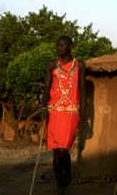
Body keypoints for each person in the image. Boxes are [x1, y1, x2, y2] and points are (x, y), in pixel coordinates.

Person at [42, 36, 86, 195]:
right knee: (56, 149)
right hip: (54, 110)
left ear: (70, 46)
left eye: (61, 45)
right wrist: (43, 109)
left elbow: (83, 90)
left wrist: (84, 116)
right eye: (57, 45)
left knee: (64, 149)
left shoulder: (79, 65)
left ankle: (66, 173)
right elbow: (46, 88)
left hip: (71, 112)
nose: (58, 48)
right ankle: (60, 183)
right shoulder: (51, 64)